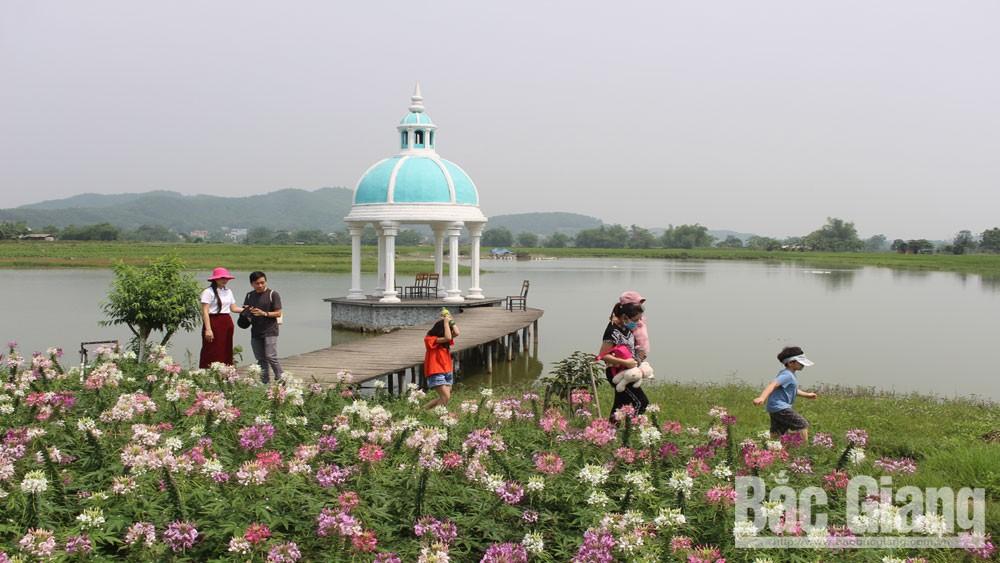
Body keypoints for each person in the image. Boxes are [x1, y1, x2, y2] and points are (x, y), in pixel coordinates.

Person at [753, 346, 819, 440]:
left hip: (775, 407)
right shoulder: (787, 375)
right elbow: (772, 384)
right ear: (790, 363)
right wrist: (762, 398)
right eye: (800, 362)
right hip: (780, 407)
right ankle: (803, 448)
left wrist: (807, 395)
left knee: (777, 432)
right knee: (802, 424)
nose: (803, 365)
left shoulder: (788, 373)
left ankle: (773, 450)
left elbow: (793, 390)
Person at [598, 301, 649, 420]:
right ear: (625, 317)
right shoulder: (612, 331)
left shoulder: (627, 329)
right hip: (617, 373)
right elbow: (603, 355)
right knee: (641, 403)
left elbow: (630, 349)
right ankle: (631, 430)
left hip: (630, 372)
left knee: (620, 404)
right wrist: (625, 363)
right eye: (636, 320)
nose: (638, 322)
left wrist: (638, 356)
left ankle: (609, 431)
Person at [199, 267, 245, 368]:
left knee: (226, 348)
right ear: (215, 279)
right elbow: (205, 312)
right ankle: (208, 372)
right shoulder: (208, 292)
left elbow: (233, 308)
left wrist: (248, 310)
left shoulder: (228, 291)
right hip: (213, 322)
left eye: (226, 278)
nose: (224, 280)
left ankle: (225, 372)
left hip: (226, 322)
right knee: (212, 349)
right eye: (221, 278)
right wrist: (208, 329)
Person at [242, 271, 283, 383]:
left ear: (266, 281)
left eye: (262, 282)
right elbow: (246, 311)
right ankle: (265, 383)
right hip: (255, 331)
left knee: (271, 356)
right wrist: (247, 312)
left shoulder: (273, 294)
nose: (260, 285)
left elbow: (278, 313)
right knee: (260, 359)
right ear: (252, 284)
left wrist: (263, 313)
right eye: (257, 283)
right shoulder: (249, 295)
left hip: (270, 330)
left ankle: (281, 378)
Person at [423, 309, 459, 409]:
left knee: (445, 397)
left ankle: (423, 411)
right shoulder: (430, 339)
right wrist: (446, 322)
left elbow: (457, 332)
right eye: (447, 329)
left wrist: (451, 321)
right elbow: (447, 337)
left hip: (447, 370)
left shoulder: (444, 341)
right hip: (436, 371)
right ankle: (435, 415)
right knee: (445, 396)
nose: (450, 332)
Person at [618, 290, 650, 361]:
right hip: (635, 352)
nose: (640, 305)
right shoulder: (625, 323)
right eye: (638, 303)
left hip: (642, 351)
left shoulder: (640, 319)